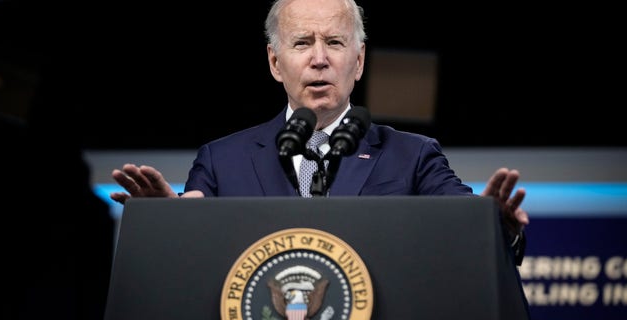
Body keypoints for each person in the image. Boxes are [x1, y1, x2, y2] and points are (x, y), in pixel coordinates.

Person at [110, 0, 529, 265]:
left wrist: (497, 227)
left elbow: (465, 225)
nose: (319, 59)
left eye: (334, 42)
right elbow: (191, 254)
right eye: (301, 43)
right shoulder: (222, 161)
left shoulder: (413, 156)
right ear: (275, 63)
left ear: (359, 60)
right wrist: (164, 224)